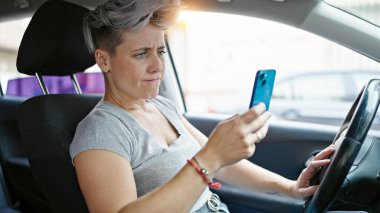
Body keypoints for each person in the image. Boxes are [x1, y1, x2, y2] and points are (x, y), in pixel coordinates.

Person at [69, 0, 334, 212]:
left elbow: (221, 164)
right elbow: (211, 159)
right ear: (104, 60)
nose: (157, 66)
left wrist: (289, 188)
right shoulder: (100, 131)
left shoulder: (161, 106)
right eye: (141, 54)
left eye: (160, 51)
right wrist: (210, 157)